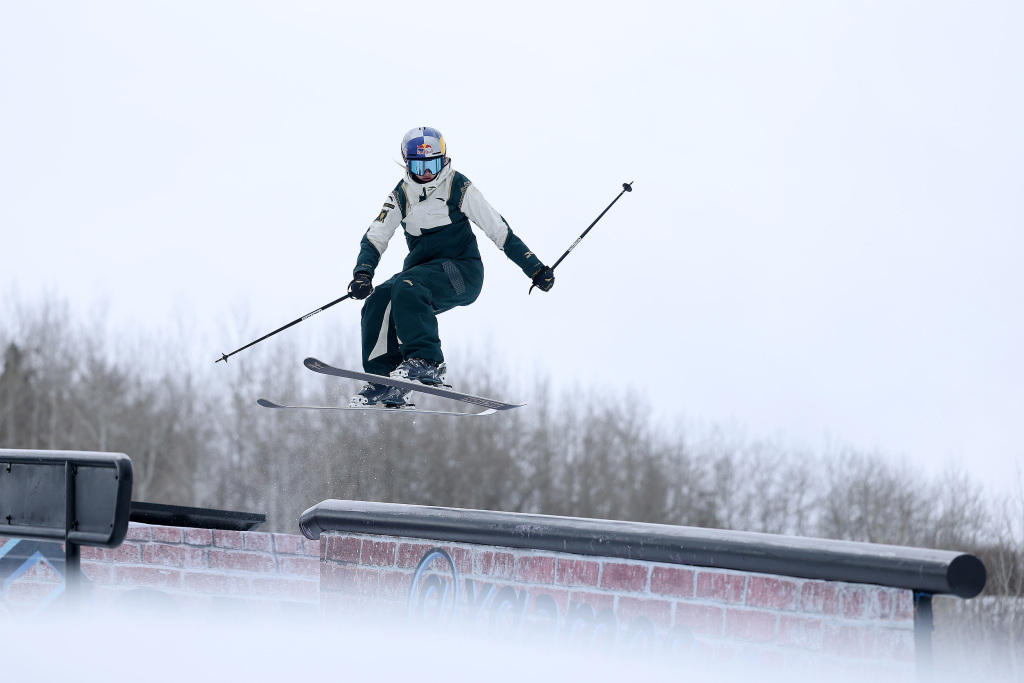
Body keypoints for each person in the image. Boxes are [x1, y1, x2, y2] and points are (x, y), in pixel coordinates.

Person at [347, 127, 555, 408]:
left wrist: (534, 267)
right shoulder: (401, 195)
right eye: (419, 165)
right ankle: (384, 379)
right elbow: (376, 235)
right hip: (423, 275)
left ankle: (428, 361)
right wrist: (363, 273)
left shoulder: (457, 185)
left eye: (433, 164)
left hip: (461, 273)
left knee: (406, 285)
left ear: (443, 160)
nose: (427, 172)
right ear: (407, 163)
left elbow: (497, 228)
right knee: (379, 300)